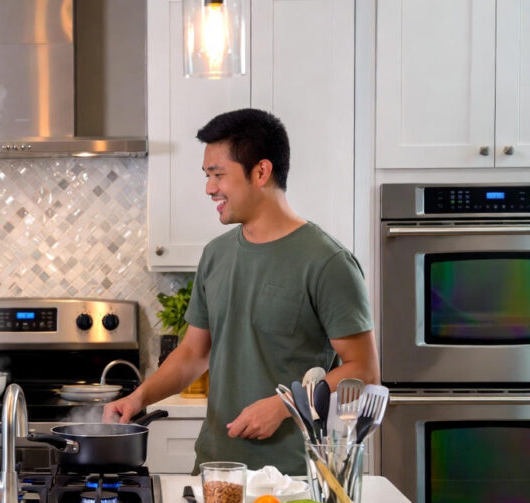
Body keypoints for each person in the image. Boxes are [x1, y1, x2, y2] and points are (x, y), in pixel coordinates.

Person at [104, 108, 378, 475]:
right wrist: (139, 398)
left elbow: (364, 371)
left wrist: (283, 406)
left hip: (293, 477)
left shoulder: (328, 262)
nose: (209, 188)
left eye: (218, 175)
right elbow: (193, 353)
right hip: (214, 468)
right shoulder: (215, 255)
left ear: (261, 172)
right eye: (207, 176)